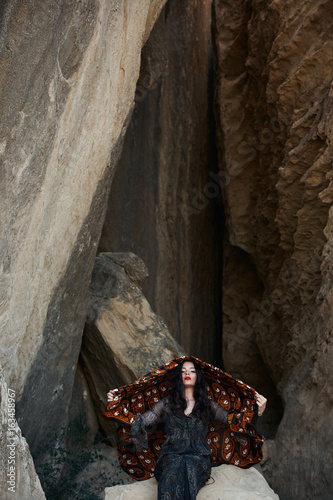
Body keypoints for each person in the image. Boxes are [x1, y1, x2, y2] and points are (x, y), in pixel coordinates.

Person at [105, 356, 267, 500]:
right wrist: (116, 404)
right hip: (170, 457)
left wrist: (257, 411)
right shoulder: (167, 403)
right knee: (174, 466)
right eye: (183, 371)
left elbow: (232, 420)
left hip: (199, 459)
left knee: (188, 464)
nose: (187, 373)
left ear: (198, 377)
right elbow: (141, 420)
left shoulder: (207, 405)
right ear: (178, 377)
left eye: (192, 370)